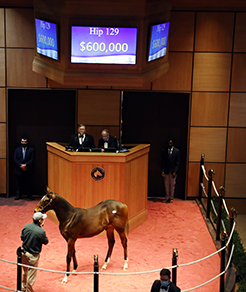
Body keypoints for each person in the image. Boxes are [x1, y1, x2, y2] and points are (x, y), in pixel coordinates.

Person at [21, 212, 49, 292]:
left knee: (25, 271)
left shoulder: (26, 227)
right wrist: (41, 229)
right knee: (31, 275)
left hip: (24, 252)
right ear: (40, 221)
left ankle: (24, 288)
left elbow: (22, 237)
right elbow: (46, 241)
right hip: (33, 256)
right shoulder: (41, 232)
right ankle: (29, 290)